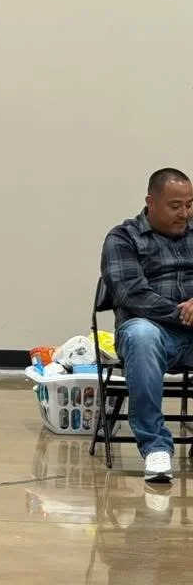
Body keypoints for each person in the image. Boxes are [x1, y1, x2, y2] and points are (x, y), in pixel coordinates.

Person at [100, 167, 193, 483]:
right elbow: (132, 294)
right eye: (175, 205)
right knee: (141, 334)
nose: (184, 213)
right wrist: (185, 314)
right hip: (152, 330)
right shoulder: (123, 238)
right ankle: (156, 447)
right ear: (150, 202)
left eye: (190, 204)